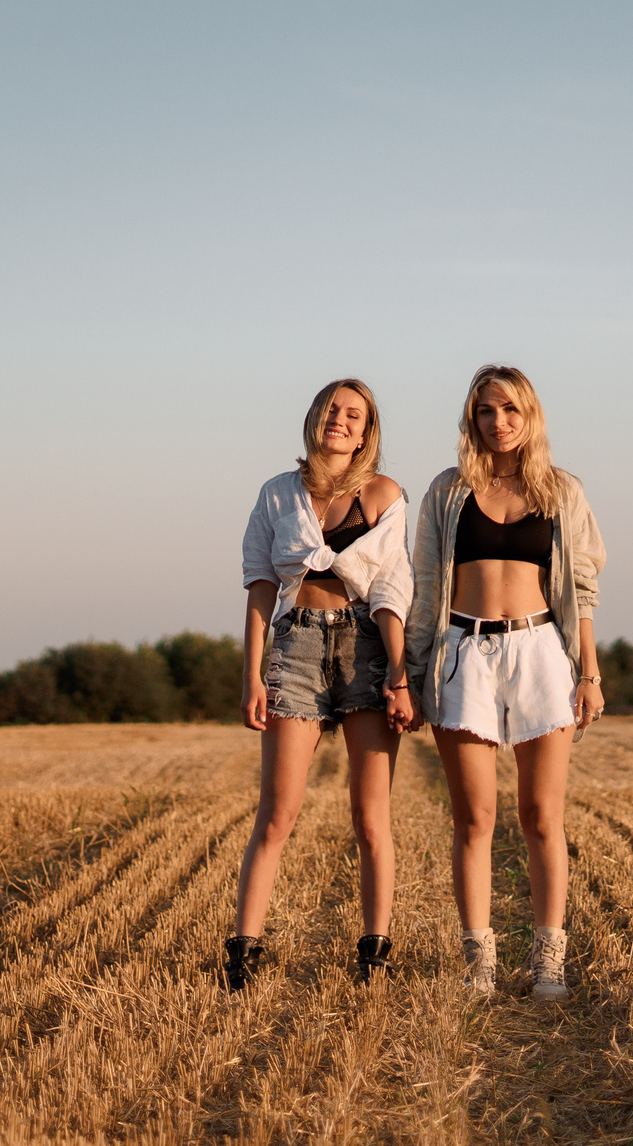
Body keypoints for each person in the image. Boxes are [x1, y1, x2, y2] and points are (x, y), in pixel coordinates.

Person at [405, 364, 607, 1001]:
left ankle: (549, 964)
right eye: (487, 411)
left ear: (530, 415)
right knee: (475, 819)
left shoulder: (561, 490)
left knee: (542, 816)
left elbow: (581, 588)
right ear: (472, 419)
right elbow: (425, 588)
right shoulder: (448, 491)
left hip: (540, 650)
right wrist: (412, 672)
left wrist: (589, 672)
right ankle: (480, 967)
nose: (499, 422)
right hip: (463, 652)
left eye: (511, 409)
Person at [227, 378, 419, 991]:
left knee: (371, 816)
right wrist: (253, 674)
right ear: (314, 417)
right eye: (332, 409)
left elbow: (393, 588)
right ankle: (242, 955)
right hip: (297, 648)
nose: (340, 419)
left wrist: (399, 675)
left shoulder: (385, 494)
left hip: (366, 648)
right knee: (277, 813)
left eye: (353, 415)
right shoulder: (277, 494)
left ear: (366, 433)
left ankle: (374, 953)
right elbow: (261, 584)